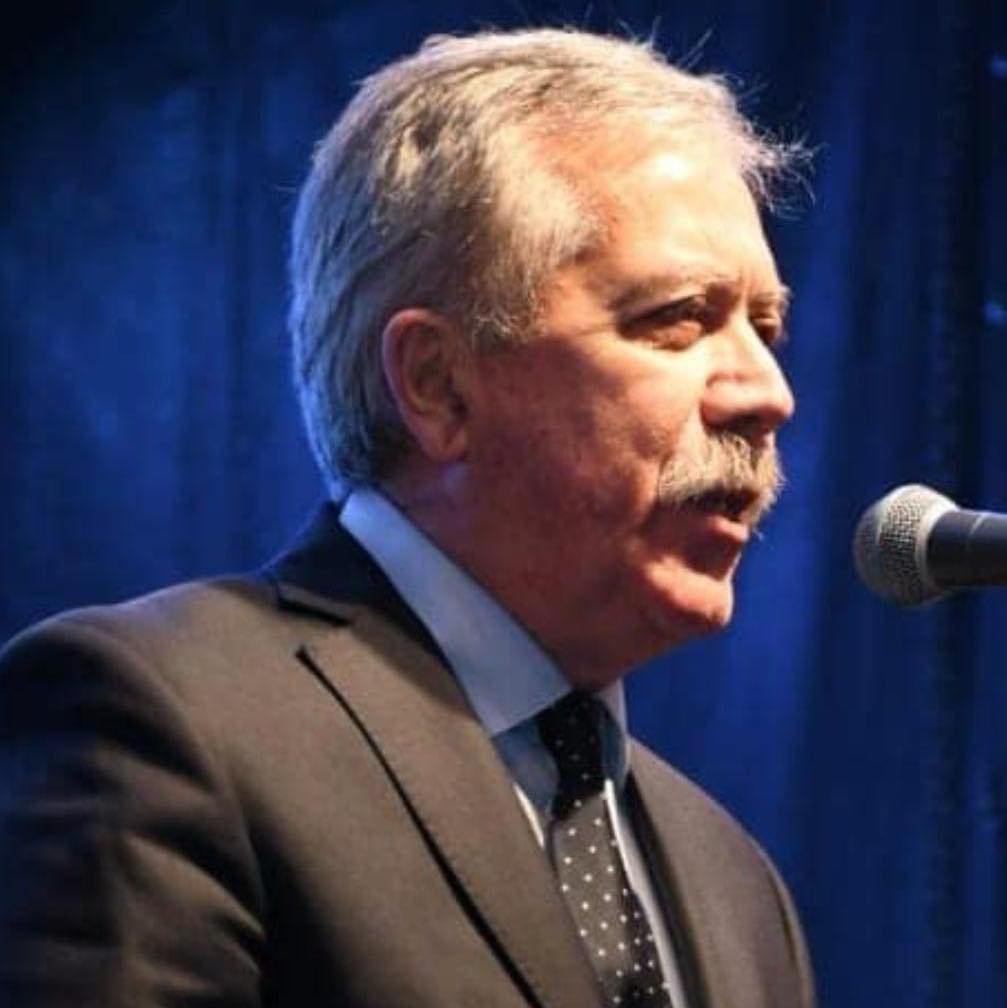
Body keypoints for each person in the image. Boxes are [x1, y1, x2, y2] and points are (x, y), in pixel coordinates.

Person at [0, 27, 815, 1008]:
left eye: (764, 327)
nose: (765, 393)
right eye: (677, 318)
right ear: (436, 384)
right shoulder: (162, 725)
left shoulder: (736, 888)